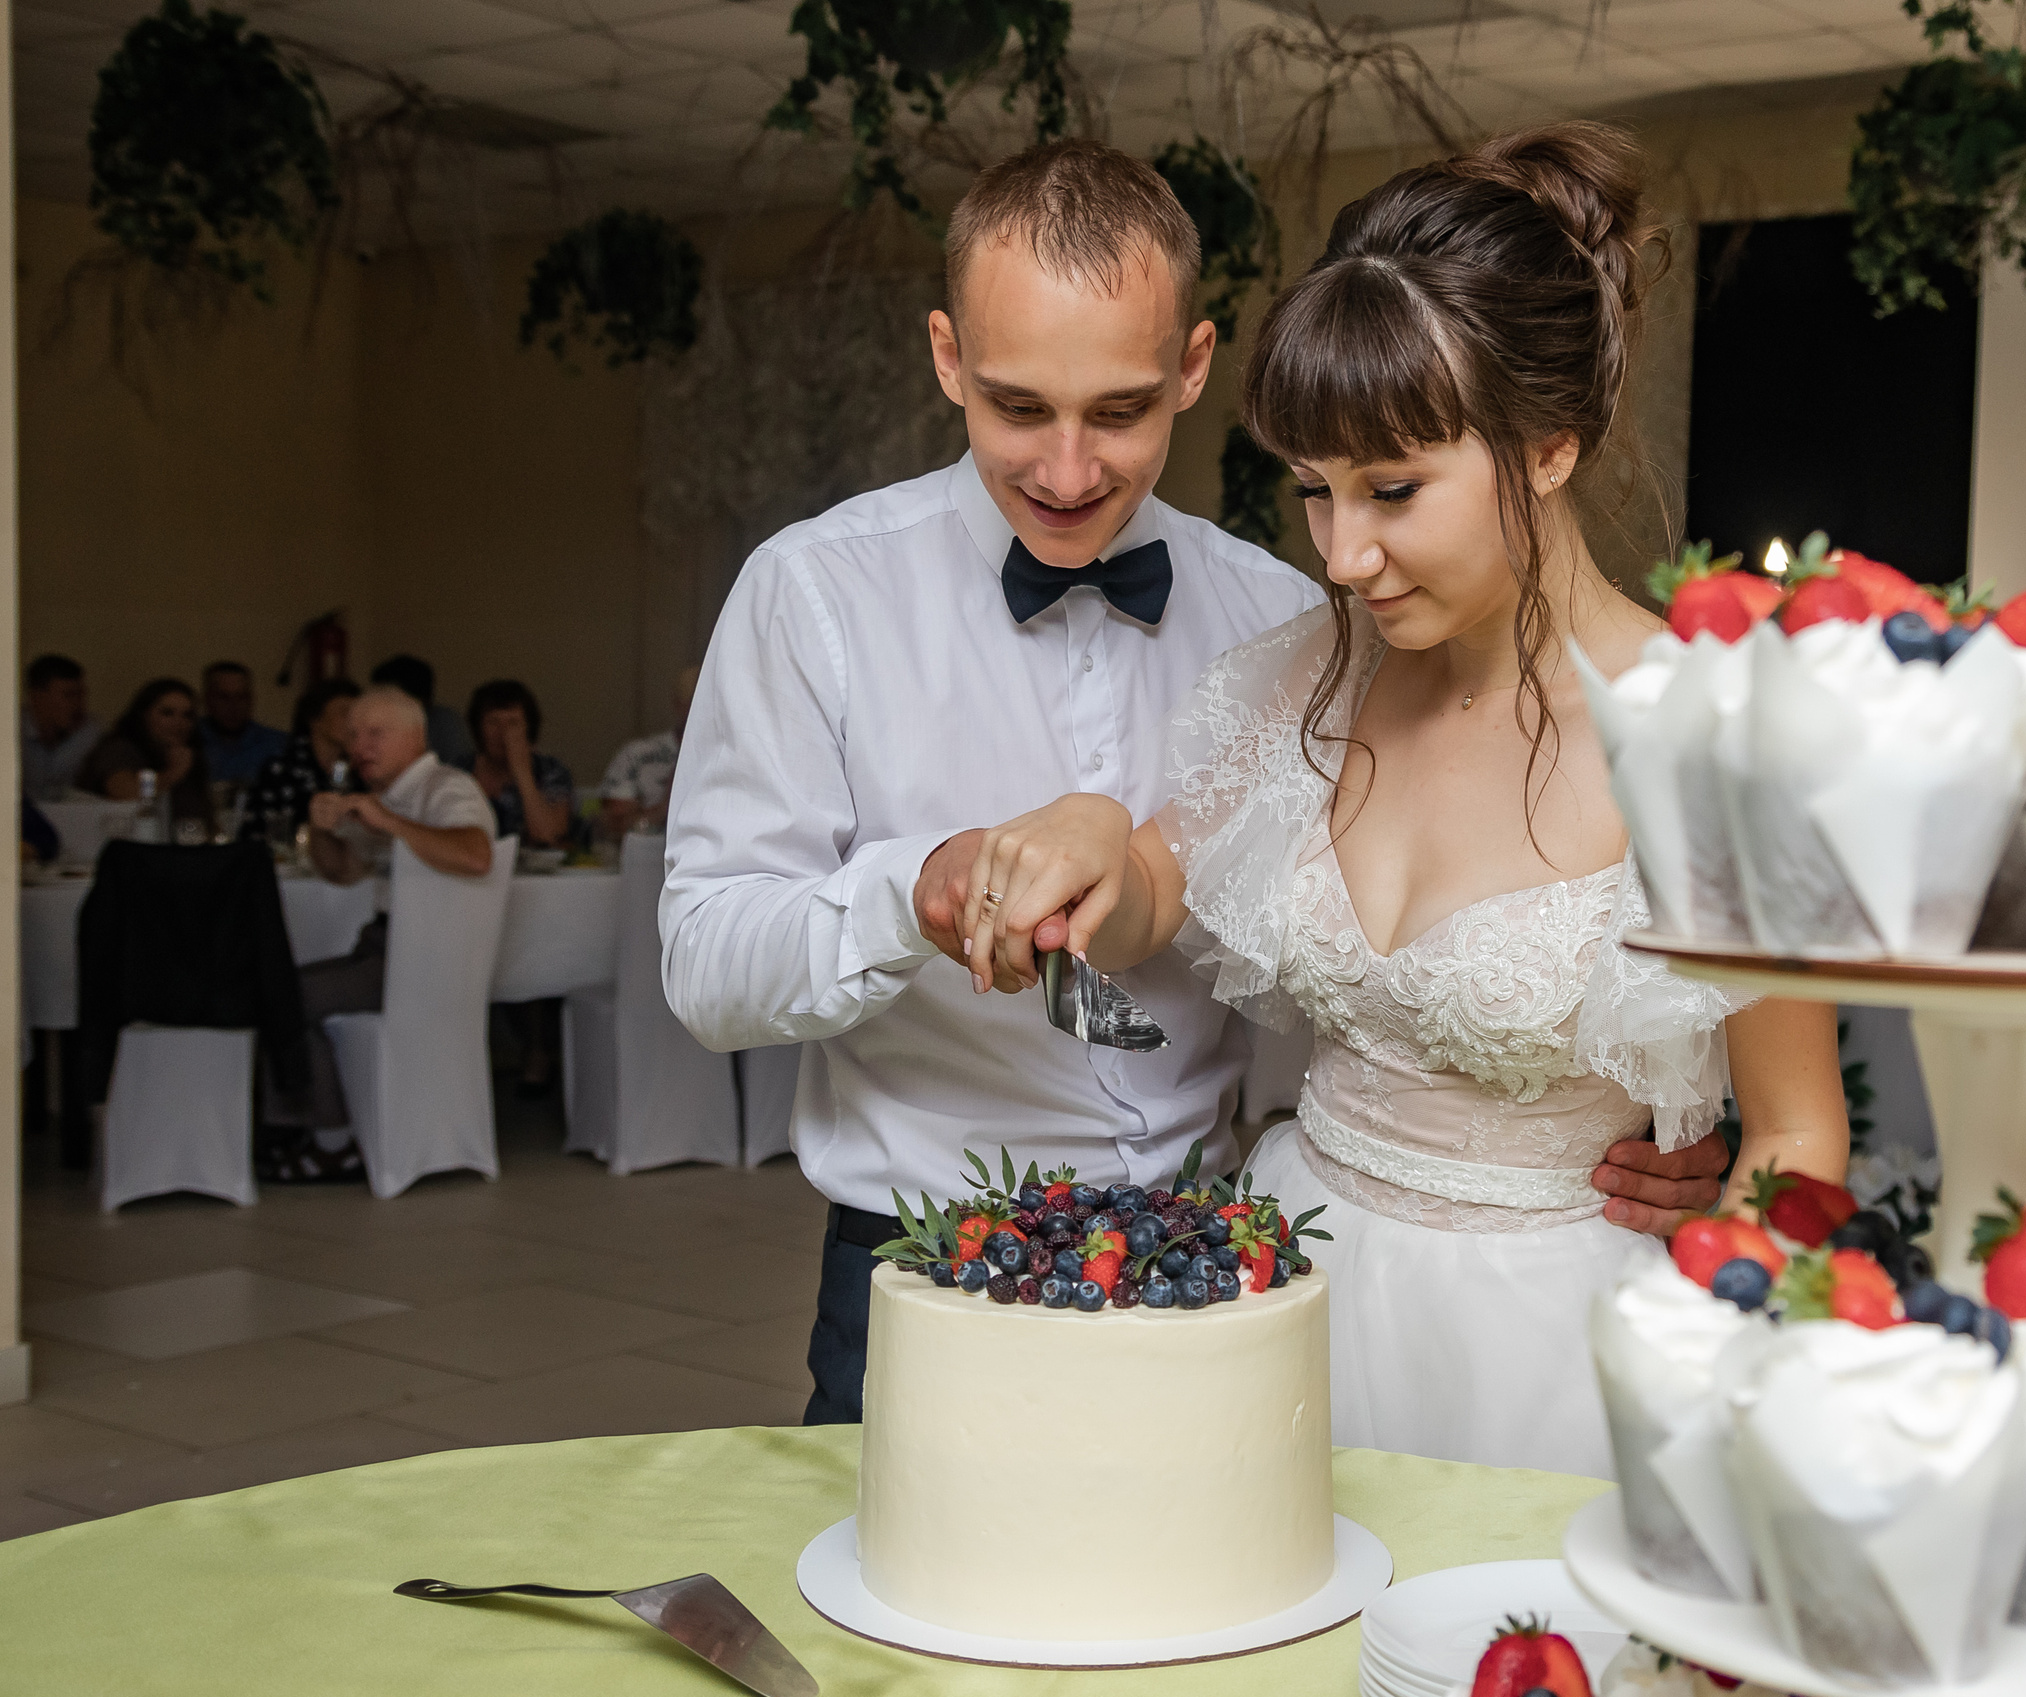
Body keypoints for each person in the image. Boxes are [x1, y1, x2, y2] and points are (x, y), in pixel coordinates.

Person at [661, 136, 1731, 1429]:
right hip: (932, 1247)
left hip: (1226, 1253)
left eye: (1118, 412)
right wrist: (918, 887)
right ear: (947, 359)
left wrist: (1649, 1129)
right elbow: (708, 959)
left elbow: (1342, 977)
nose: (1066, 471)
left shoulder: (1292, 617)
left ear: (1193, 368)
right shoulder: (814, 595)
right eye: (1016, 407)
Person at [954, 124, 1851, 1478]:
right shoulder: (1306, 674)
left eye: (1392, 490)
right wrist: (1092, 838)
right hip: (1298, 1278)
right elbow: (1148, 888)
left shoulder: (1711, 736)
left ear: (1547, 445)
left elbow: (1795, 1129)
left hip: (1557, 1341)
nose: (1343, 553)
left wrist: (1732, 1312)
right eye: (1312, 491)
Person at [262, 688, 496, 1169]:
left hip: (424, 958)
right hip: (384, 947)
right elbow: (342, 871)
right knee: (275, 984)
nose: (359, 747)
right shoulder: (390, 796)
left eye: (375, 734)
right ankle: (311, 1133)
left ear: (415, 738)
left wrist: (387, 820)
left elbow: (476, 854)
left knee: (285, 995)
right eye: (352, 736)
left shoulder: (445, 788)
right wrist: (323, 830)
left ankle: (330, 1145)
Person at [78, 677, 215, 837]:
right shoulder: (120, 749)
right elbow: (125, 793)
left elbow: (202, 818)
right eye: (167, 713)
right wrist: (172, 774)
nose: (178, 723)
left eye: (187, 715)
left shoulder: (189, 755)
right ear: (144, 714)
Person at [243, 677, 363, 838]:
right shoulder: (281, 770)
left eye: (357, 715)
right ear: (315, 719)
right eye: (344, 712)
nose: (353, 722)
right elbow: (257, 833)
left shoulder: (361, 770)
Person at [464, 679, 574, 848]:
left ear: (528, 728)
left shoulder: (551, 771)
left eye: (513, 723)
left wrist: (522, 771)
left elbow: (549, 837)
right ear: (479, 728)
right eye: (493, 722)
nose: (503, 733)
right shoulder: (458, 770)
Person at [595, 665, 697, 841]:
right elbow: (616, 828)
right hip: (645, 861)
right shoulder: (638, 755)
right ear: (678, 703)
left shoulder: (740, 758)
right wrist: (667, 803)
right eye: (693, 702)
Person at [369, 654, 474, 769]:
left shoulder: (446, 723)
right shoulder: (375, 725)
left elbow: (458, 767)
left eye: (385, 696)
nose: (378, 703)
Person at [21, 655, 100, 801]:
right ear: (37, 696)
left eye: (81, 694)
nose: (78, 703)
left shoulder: (92, 734)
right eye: (69, 695)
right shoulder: (12, 733)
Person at [199, 660, 287, 786]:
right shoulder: (190, 741)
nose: (233, 706)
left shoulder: (277, 745)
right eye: (224, 697)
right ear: (207, 699)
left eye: (241, 697)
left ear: (251, 700)